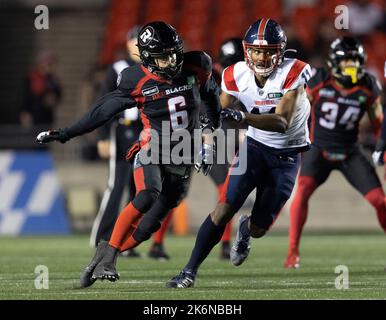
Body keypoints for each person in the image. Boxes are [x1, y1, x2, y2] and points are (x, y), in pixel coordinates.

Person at [36, 21, 220, 287]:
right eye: (162, 56)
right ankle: (109, 259)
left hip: (183, 154)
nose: (171, 61)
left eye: (173, 52)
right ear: (146, 57)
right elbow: (101, 112)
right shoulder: (136, 79)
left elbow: (212, 97)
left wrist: (208, 138)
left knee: (146, 229)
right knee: (147, 193)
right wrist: (66, 133)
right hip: (152, 146)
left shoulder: (196, 65)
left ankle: (103, 252)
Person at [166, 18, 312, 288]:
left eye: (268, 51)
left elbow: (282, 122)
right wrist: (207, 145)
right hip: (254, 149)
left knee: (259, 229)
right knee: (223, 209)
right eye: (256, 51)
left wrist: (242, 116)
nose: (261, 57)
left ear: (280, 52)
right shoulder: (235, 74)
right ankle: (188, 271)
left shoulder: (295, 72)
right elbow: (215, 115)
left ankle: (246, 229)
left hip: (287, 157)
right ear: (247, 51)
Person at [284, 36, 386, 268]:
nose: (352, 66)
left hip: (350, 152)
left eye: (355, 61)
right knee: (302, 190)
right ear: (335, 62)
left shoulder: (368, 85)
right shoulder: (319, 80)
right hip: (318, 149)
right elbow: (295, 108)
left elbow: (379, 123)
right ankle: (292, 251)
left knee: (380, 201)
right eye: (347, 61)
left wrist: (384, 151)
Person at [89, 25, 173, 260]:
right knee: (117, 184)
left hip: (146, 131)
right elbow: (103, 105)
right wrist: (103, 136)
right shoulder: (117, 68)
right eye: (134, 42)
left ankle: (124, 242)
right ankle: (101, 238)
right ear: (127, 44)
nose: (138, 47)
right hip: (124, 130)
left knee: (140, 190)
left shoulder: (153, 67)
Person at [210, 37, 245, 259]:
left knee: (226, 190)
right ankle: (155, 242)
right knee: (173, 192)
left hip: (228, 134)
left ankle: (224, 243)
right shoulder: (209, 75)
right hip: (202, 135)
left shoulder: (247, 77)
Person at [20, 50, 62, 130]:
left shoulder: (52, 79)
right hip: (34, 115)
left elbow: (58, 93)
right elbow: (25, 96)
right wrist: (25, 112)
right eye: (49, 64)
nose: (51, 67)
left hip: (47, 116)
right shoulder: (32, 77)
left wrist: (54, 98)